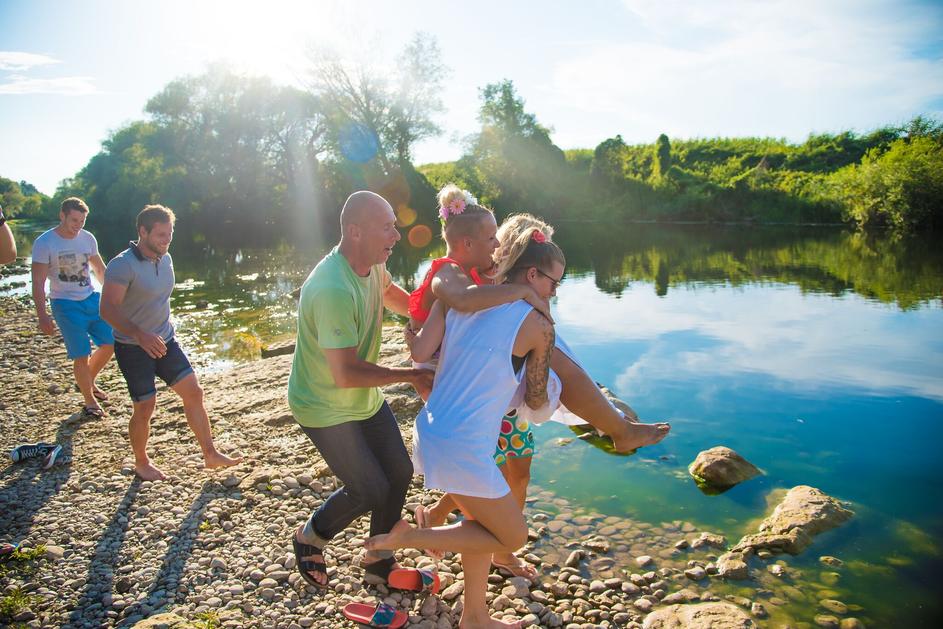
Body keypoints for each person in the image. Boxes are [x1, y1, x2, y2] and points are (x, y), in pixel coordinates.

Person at [408, 190, 670, 578]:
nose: (495, 247)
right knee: (493, 476)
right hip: (470, 391)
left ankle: (469, 541)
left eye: (498, 240)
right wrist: (523, 296)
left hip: (486, 389)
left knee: (513, 472)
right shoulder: (456, 277)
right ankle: (479, 541)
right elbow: (453, 311)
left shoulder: (485, 282)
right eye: (492, 239)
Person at [367, 236, 562, 629]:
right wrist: (558, 389)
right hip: (465, 444)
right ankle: (408, 536)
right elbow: (537, 402)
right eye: (553, 282)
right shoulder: (538, 325)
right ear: (531, 275)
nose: (554, 292)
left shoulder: (459, 300)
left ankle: (475, 616)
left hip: (433, 428)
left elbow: (421, 352)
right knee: (512, 536)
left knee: (481, 526)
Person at [286, 191, 436, 591]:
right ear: (355, 232)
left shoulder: (372, 263)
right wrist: (412, 375)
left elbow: (391, 294)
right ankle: (310, 537)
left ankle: (379, 561)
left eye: (395, 226)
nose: (396, 235)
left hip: (361, 398)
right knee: (369, 488)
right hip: (323, 404)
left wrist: (431, 319)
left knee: (399, 472)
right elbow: (347, 373)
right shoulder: (332, 287)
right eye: (386, 227)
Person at [99, 205, 240, 481]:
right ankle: (141, 462)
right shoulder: (122, 265)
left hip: (165, 340)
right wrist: (139, 334)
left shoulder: (166, 258)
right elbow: (107, 309)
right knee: (145, 406)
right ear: (143, 232)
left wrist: (157, 330)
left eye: (170, 234)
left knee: (193, 392)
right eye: (161, 235)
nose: (167, 240)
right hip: (133, 347)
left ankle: (210, 454)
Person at [31, 197, 114, 418]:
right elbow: (38, 282)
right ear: (63, 216)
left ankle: (87, 381)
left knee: (110, 342)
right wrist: (42, 316)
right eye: (74, 220)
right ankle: (89, 400)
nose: (78, 225)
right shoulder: (45, 243)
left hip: (91, 298)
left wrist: (115, 298)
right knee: (81, 353)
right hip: (64, 304)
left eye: (82, 221)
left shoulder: (87, 238)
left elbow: (100, 270)